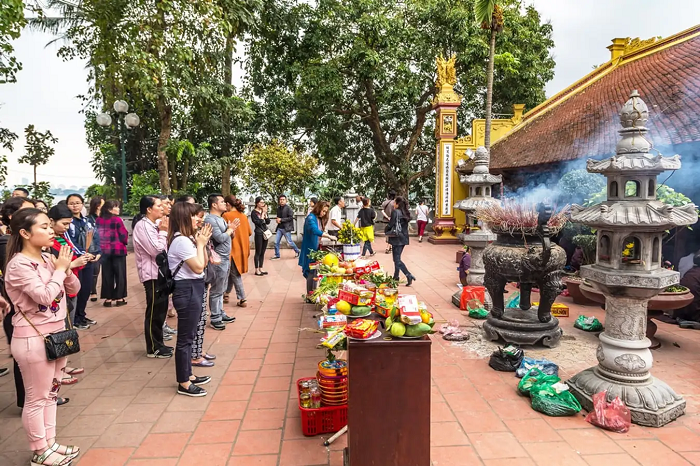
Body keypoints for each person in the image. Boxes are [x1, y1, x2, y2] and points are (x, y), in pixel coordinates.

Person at [5, 208, 82, 466]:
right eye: (44, 227)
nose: (51, 231)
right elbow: (44, 296)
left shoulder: (49, 259)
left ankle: (50, 442)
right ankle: (39, 450)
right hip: (33, 339)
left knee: (51, 392)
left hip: (55, 335)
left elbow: (74, 290)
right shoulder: (18, 265)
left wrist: (66, 270)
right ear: (25, 233)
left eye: (50, 226)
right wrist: (60, 270)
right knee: (36, 397)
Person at [168, 202, 213, 396]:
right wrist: (201, 244)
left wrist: (200, 243)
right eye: (194, 216)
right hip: (186, 289)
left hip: (193, 287)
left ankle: (189, 375)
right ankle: (184, 382)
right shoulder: (182, 241)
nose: (199, 219)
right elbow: (198, 267)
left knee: (190, 334)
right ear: (184, 218)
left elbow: (202, 264)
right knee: (185, 339)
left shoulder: (187, 239)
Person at [1, 197, 39, 406]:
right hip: (19, 312)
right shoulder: (9, 246)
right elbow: (40, 293)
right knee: (25, 362)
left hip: (23, 312)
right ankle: (27, 399)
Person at [132, 195, 173, 358]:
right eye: (158, 206)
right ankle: (153, 348)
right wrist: (163, 232)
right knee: (154, 311)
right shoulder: (143, 226)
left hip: (161, 273)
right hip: (153, 274)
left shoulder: (155, 225)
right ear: (149, 209)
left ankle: (159, 343)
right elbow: (156, 250)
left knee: (161, 310)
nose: (162, 208)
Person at [205, 194, 239, 331]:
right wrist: (230, 229)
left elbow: (230, 235)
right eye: (222, 202)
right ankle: (215, 317)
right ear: (214, 205)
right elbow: (219, 238)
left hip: (225, 257)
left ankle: (220, 312)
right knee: (216, 289)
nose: (225, 204)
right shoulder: (210, 219)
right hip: (218, 259)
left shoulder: (220, 218)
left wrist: (231, 229)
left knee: (222, 288)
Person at [66, 194, 99, 328]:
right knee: (77, 290)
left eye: (78, 203)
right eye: (71, 203)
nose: (75, 205)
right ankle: (75, 319)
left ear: (82, 204)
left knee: (86, 289)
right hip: (76, 260)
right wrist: (83, 254)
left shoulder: (87, 221)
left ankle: (81, 315)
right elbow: (70, 242)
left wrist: (97, 253)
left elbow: (96, 237)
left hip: (88, 260)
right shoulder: (68, 223)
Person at [299, 201, 336, 299]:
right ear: (318, 208)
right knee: (311, 271)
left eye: (325, 212)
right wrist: (328, 236)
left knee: (314, 271)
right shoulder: (310, 218)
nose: (324, 213)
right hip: (310, 249)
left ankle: (313, 294)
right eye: (323, 211)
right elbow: (315, 230)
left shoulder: (317, 218)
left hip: (315, 247)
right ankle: (310, 295)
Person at [96, 200, 128, 307]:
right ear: (110, 209)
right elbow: (123, 235)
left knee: (107, 274)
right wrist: (124, 242)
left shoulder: (99, 220)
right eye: (116, 207)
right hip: (118, 250)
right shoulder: (117, 220)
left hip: (104, 251)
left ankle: (108, 299)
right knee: (120, 274)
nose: (118, 209)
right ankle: (119, 297)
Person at [223, 196, 249, 307]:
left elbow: (223, 232)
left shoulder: (226, 215)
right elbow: (249, 232)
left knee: (235, 274)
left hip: (233, 249)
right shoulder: (243, 216)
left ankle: (243, 298)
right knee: (233, 273)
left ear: (228, 204)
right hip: (243, 248)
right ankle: (226, 293)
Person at [387, 196, 416, 286]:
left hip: (396, 237)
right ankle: (396, 277)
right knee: (397, 258)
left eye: (394, 202)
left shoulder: (395, 212)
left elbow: (391, 224)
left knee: (397, 259)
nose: (393, 204)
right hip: (403, 237)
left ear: (398, 204)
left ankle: (408, 275)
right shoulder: (405, 213)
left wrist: (386, 229)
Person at [271, 194, 300, 260]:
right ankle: (277, 255)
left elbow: (290, 218)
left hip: (286, 228)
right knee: (276, 242)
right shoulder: (278, 209)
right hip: (279, 228)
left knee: (289, 242)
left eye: (283, 200)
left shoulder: (288, 208)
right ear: (279, 201)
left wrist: (281, 219)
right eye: (280, 200)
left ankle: (298, 251)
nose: (282, 201)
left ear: (286, 200)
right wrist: (278, 220)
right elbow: (278, 217)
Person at [87, 196, 104, 302]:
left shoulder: (104, 218)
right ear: (98, 206)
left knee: (99, 270)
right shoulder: (89, 219)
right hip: (93, 248)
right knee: (94, 270)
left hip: (104, 246)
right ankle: (93, 291)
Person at [251, 197, 271, 276]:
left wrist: (265, 214)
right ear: (257, 203)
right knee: (258, 252)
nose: (263, 204)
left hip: (265, 233)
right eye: (261, 202)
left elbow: (268, 222)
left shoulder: (264, 211)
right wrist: (262, 215)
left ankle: (261, 268)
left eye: (263, 202)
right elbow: (259, 222)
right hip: (258, 233)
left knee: (263, 252)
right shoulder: (254, 213)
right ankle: (256, 269)